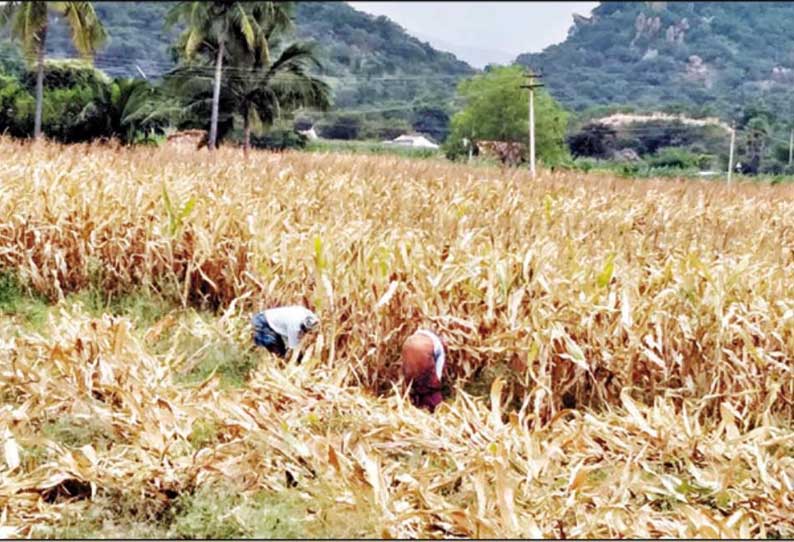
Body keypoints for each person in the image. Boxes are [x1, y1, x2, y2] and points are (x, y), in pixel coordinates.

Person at [401, 328, 446, 412]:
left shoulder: (419, 334)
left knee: (413, 381)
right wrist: (436, 383)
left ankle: (414, 405)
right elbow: (438, 371)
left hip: (407, 344)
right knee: (430, 386)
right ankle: (432, 408)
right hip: (423, 349)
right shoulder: (440, 347)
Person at [251, 305, 319, 359]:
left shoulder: (312, 317)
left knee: (281, 350)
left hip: (270, 320)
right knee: (278, 353)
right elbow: (293, 349)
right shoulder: (294, 326)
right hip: (263, 322)